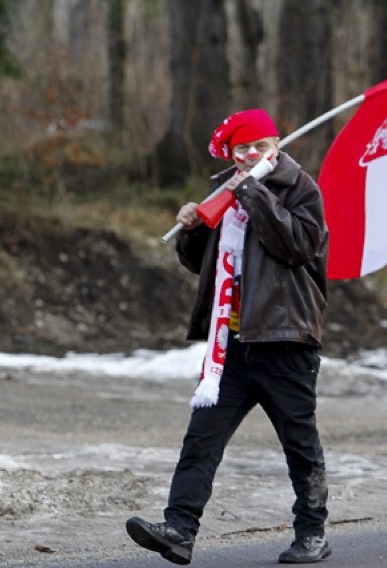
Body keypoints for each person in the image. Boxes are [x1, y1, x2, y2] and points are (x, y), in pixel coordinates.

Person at [126, 109, 330, 565]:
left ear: (276, 145)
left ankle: (312, 533)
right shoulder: (225, 192)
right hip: (231, 349)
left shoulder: (301, 189)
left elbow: (297, 246)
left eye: (260, 146)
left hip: (286, 341)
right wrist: (192, 229)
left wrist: (253, 192)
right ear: (231, 152)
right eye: (242, 149)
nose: (251, 155)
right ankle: (179, 529)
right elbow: (203, 264)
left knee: (300, 445)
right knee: (201, 440)